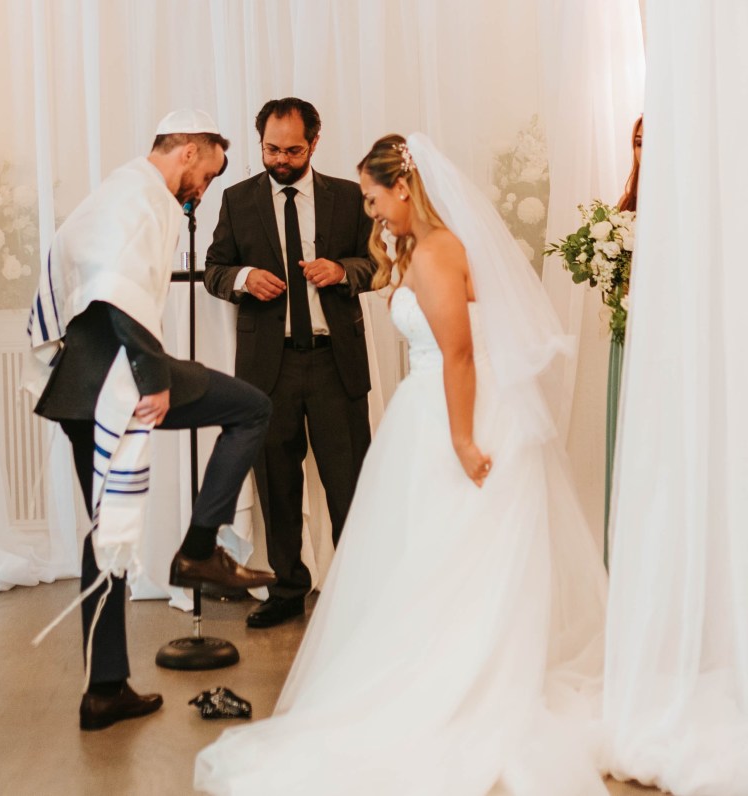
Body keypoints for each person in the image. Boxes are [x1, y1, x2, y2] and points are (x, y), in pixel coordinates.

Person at [195, 133, 609, 795]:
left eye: (373, 197)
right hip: (429, 409)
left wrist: (463, 440)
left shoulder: (440, 250)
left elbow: (459, 354)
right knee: (433, 553)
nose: (370, 210)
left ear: (405, 187)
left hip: (457, 413)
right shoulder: (418, 247)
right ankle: (443, 666)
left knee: (458, 553)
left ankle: (468, 681)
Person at [30, 109, 276, 731]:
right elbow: (116, 292)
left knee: (106, 531)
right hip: (115, 372)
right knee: (252, 407)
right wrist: (153, 376)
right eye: (208, 174)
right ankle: (198, 551)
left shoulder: (119, 190)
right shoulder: (140, 197)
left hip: (81, 380)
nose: (204, 189)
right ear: (188, 151)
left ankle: (105, 687)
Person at [204, 97, 376, 629]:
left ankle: (360, 590)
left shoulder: (348, 197)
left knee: (350, 483)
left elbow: (376, 262)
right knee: (277, 485)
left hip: (333, 363)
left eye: (293, 150)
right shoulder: (237, 199)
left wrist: (342, 271)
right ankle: (286, 589)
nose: (281, 159)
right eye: (271, 149)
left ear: (314, 144)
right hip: (268, 368)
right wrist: (244, 278)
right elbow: (214, 269)